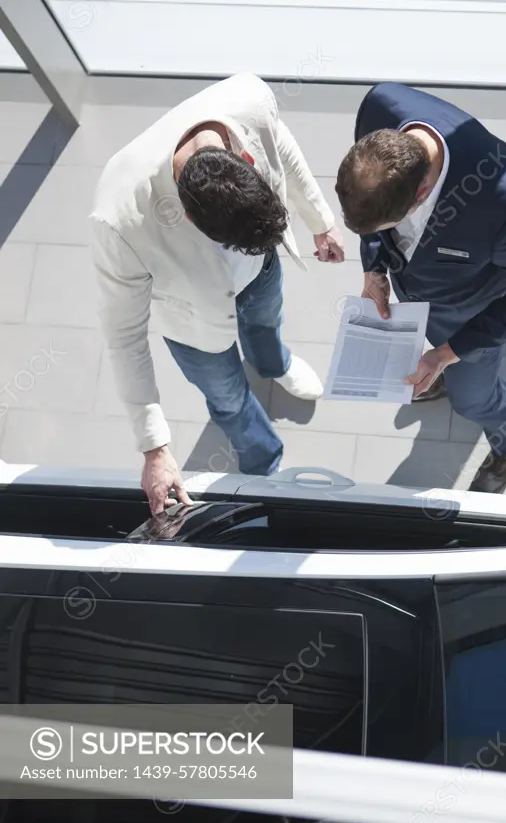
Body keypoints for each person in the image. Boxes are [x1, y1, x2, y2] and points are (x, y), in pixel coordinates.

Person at [91, 72, 344, 514]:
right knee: (227, 399)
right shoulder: (117, 216)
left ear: (245, 154)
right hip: (193, 322)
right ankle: (263, 460)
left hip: (261, 273)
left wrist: (319, 220)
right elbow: (123, 336)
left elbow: (280, 144)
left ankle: (274, 363)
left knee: (268, 323)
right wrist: (154, 447)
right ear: (185, 217)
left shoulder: (250, 99)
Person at [335, 82, 506, 494]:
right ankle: (441, 377)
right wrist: (374, 269)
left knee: (474, 398)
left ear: (421, 193)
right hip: (420, 298)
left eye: (389, 225)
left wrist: (446, 353)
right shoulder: (378, 107)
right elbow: (374, 220)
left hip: (469, 319)